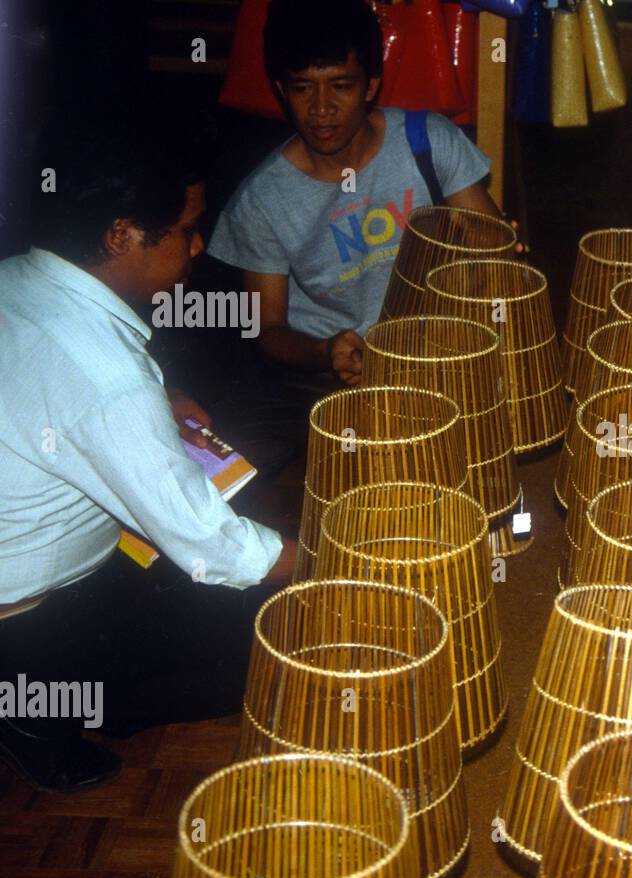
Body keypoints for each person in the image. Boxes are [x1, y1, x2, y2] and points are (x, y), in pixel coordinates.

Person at [0, 118, 297, 793]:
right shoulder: (108, 384)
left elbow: (48, 384)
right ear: (120, 235)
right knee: (256, 648)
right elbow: (213, 545)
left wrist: (156, 395)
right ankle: (26, 712)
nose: (200, 245)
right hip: (26, 617)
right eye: (187, 229)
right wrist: (320, 558)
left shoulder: (20, 275)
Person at [207, 0, 510, 389]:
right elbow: (268, 330)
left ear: (370, 86)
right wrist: (325, 352)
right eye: (302, 88)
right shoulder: (262, 199)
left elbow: (493, 249)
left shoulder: (428, 142)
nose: (321, 108)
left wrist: (495, 248)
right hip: (325, 379)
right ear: (281, 90)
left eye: (341, 86)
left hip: (434, 356)